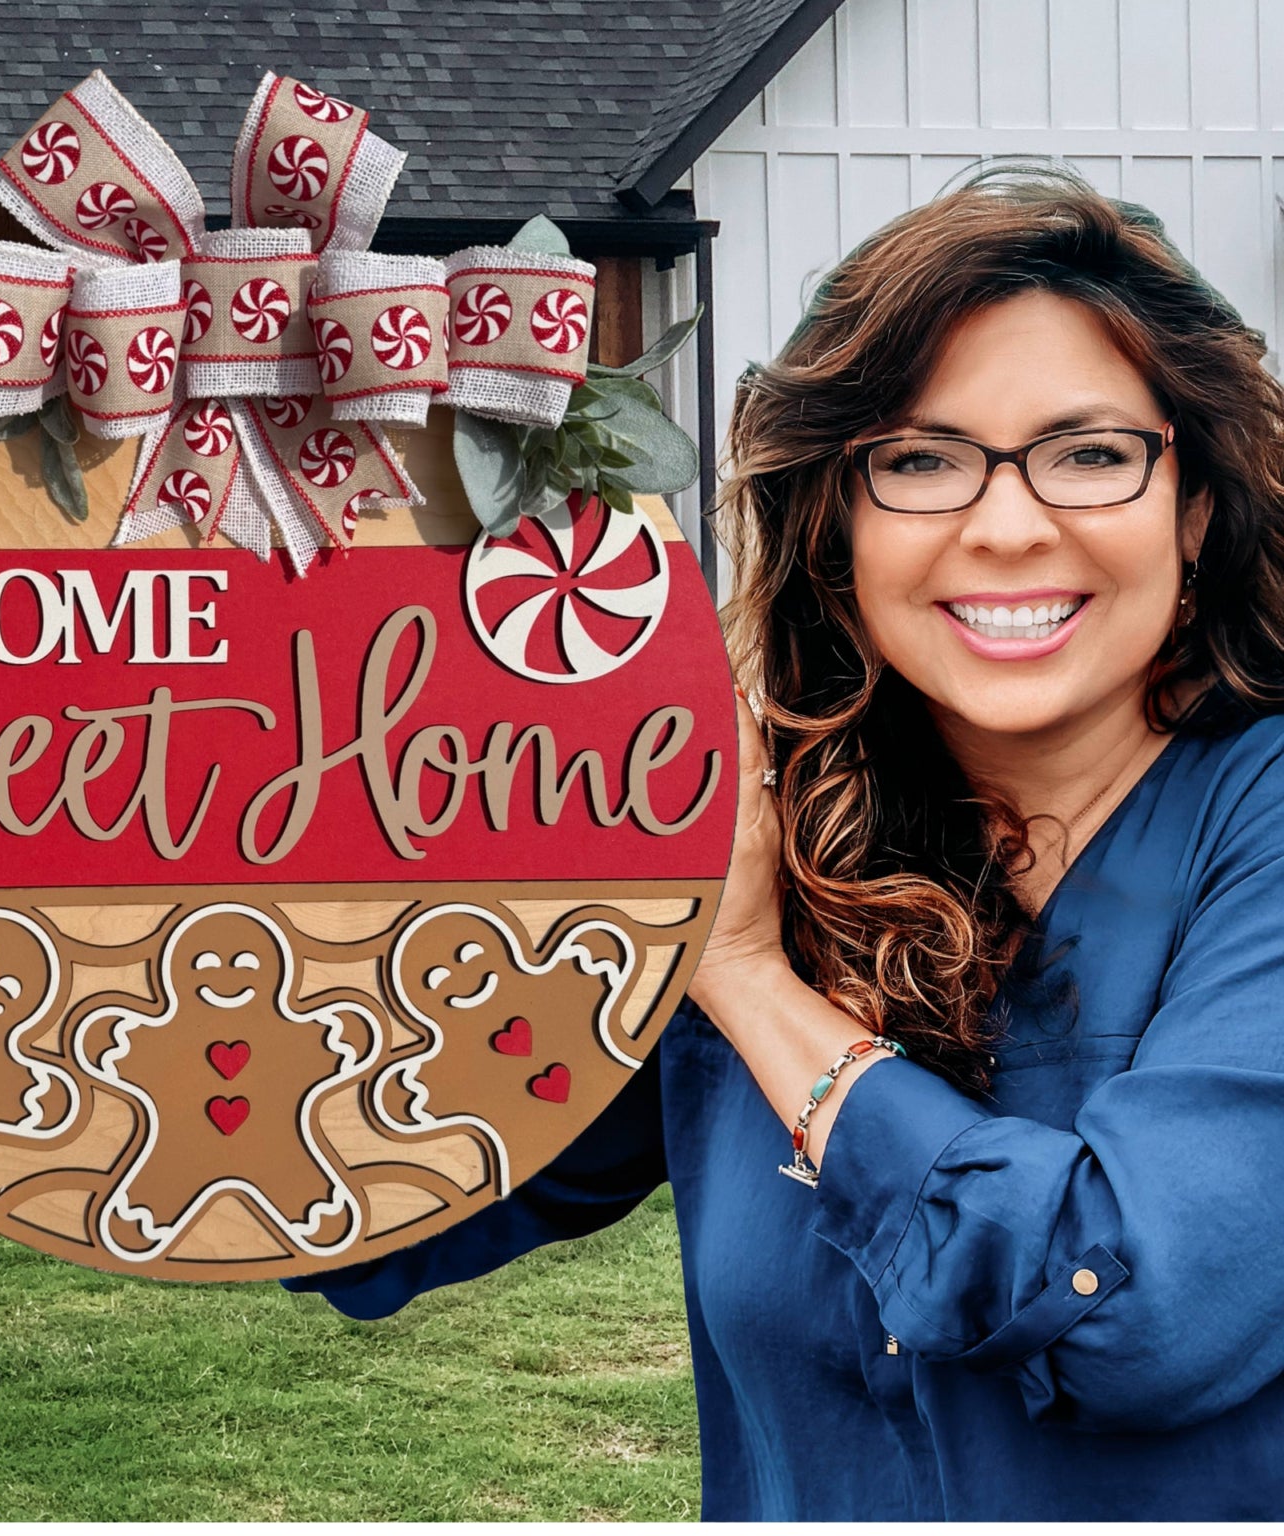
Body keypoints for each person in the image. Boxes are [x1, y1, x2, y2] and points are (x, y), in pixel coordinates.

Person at [284, 165, 1284, 1520]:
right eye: (920, 461)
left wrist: (749, 979)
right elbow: (372, 1192)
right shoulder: (772, 835)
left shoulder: (1252, 828)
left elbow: (1141, 1312)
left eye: (1091, 454)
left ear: (1196, 506)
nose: (1006, 526)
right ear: (836, 523)